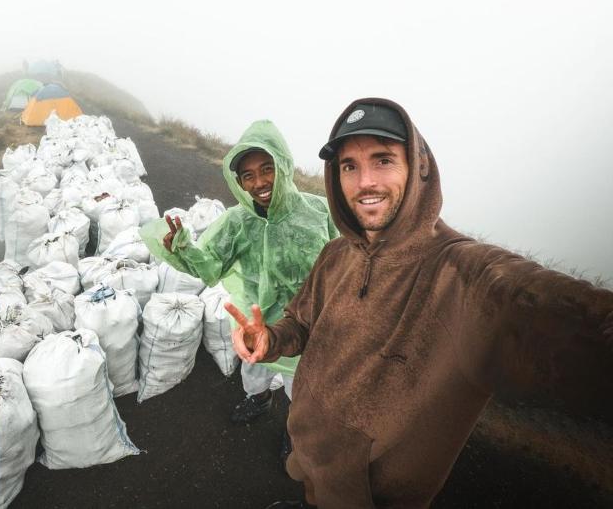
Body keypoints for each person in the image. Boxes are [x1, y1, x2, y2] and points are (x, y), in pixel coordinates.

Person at [226, 99, 613, 509]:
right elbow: (301, 322)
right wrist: (271, 338)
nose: (365, 182)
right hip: (312, 449)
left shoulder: (462, 274)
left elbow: (546, 307)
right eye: (349, 166)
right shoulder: (337, 254)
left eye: (383, 160)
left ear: (418, 168)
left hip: (370, 494)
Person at [140, 119, 338, 456]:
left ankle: (294, 427)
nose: (260, 182)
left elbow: (344, 267)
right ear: (240, 183)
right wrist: (183, 247)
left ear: (283, 166)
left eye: (266, 168)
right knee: (255, 373)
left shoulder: (319, 213)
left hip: (305, 328)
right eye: (248, 175)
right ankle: (259, 400)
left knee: (300, 389)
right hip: (253, 324)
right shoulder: (237, 221)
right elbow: (210, 266)